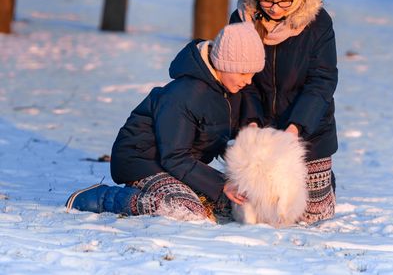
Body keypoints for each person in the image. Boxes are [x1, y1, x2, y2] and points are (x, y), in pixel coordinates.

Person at [66, 22, 265, 222]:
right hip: (143, 162)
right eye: (243, 73)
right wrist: (221, 185)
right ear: (223, 63)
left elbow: (214, 137)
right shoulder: (185, 95)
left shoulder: (227, 90)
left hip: (177, 166)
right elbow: (175, 157)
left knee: (236, 205)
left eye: (252, 74)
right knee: (187, 210)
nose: (248, 81)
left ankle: (181, 193)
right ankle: (102, 198)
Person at [229, 0, 338, 224]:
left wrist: (295, 129)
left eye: (283, 1)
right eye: (266, 0)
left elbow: (321, 82)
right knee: (251, 206)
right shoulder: (242, 20)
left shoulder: (318, 24)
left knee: (307, 216)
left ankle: (320, 175)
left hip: (307, 130)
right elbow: (242, 78)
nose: (275, 8)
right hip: (260, 128)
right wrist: (251, 123)